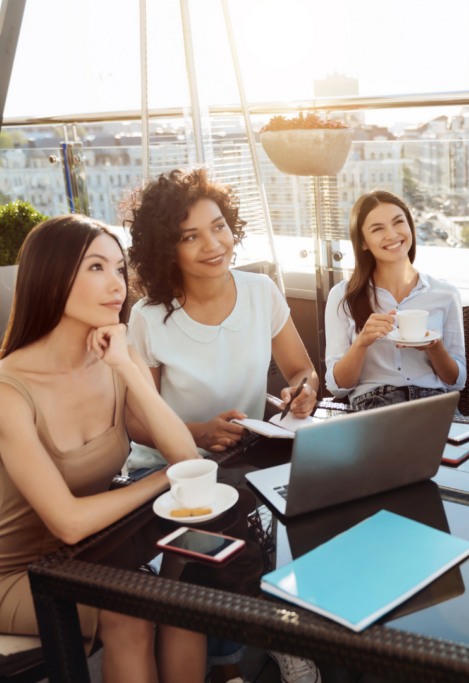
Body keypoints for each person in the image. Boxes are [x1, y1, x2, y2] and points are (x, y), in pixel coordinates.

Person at [0, 215, 206, 683]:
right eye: (96, 268)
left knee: (186, 599)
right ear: (51, 276)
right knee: (130, 614)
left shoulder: (116, 352)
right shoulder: (4, 389)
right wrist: (161, 481)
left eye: (119, 269)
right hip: (16, 575)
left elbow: (187, 458)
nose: (116, 284)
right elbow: (69, 523)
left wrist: (128, 369)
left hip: (95, 554)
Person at [121, 167, 320, 683]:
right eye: (191, 236)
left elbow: (302, 370)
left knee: (318, 497)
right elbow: (135, 421)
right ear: (167, 248)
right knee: (229, 526)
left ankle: (277, 635)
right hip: (169, 469)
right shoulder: (148, 317)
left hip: (244, 454)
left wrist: (302, 392)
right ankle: (256, 648)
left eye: (219, 227)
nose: (214, 245)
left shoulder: (261, 292)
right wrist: (197, 433)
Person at [325, 191, 466, 409]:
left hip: (435, 402)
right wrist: (362, 342)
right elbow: (338, 387)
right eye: (378, 228)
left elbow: (456, 382)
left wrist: (434, 346)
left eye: (398, 222)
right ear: (363, 242)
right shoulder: (343, 296)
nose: (392, 235)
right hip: (374, 404)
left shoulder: (445, 294)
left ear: (410, 227)